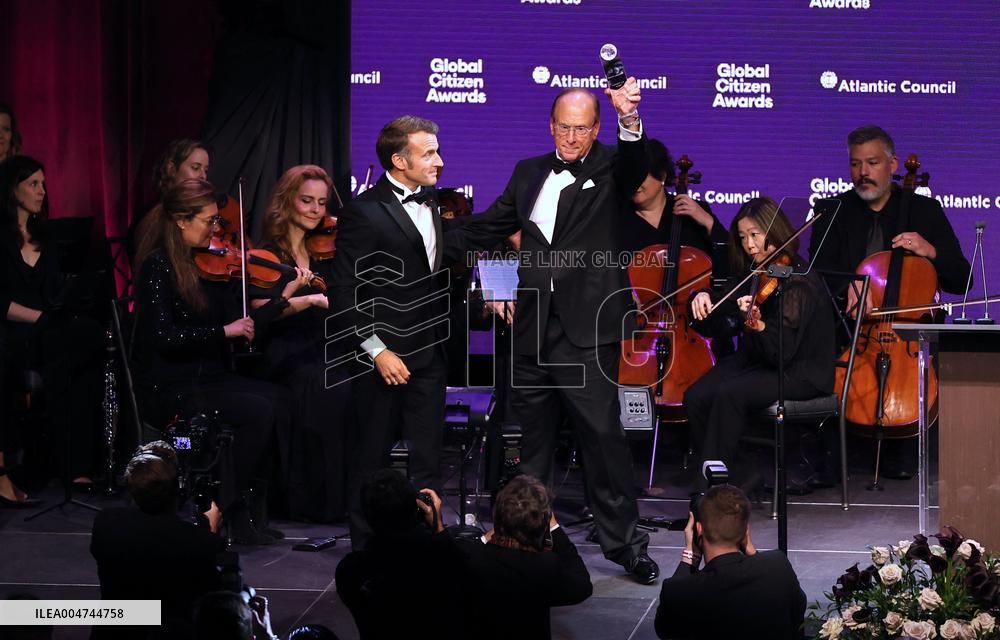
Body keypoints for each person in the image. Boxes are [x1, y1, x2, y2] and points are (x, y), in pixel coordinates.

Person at [449, 81, 660, 583]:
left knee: (603, 441)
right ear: (550, 126)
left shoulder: (613, 165)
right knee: (530, 445)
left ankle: (626, 546)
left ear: (596, 129)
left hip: (587, 333)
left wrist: (629, 120)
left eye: (581, 127)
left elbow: (636, 166)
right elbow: (490, 225)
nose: (570, 137)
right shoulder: (528, 172)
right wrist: (426, 237)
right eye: (563, 126)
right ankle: (524, 541)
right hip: (533, 332)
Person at [807, 125, 971, 480]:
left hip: (907, 333)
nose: (862, 173)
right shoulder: (834, 209)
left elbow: (962, 278)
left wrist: (930, 251)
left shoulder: (924, 210)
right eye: (855, 164)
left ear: (893, 164)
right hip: (851, 327)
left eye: (872, 163)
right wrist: (845, 290)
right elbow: (817, 273)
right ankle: (830, 449)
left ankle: (905, 444)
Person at [132, 178, 289, 544]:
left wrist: (279, 300)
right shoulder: (157, 267)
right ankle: (224, 507)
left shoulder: (200, 265)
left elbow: (236, 321)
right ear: (181, 221)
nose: (216, 229)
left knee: (278, 398)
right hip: (170, 386)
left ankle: (251, 508)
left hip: (205, 376)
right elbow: (163, 337)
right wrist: (223, 331)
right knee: (256, 411)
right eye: (209, 220)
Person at [330, 115, 456, 547]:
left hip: (429, 355)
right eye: (429, 153)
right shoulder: (363, 213)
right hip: (378, 361)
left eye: (437, 150)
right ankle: (366, 553)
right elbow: (345, 292)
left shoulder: (437, 201)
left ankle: (429, 547)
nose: (439, 160)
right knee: (371, 462)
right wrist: (377, 351)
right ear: (399, 159)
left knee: (427, 464)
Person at [686, 197, 834, 491]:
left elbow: (784, 352)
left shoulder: (799, 281)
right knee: (696, 394)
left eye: (755, 234)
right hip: (760, 361)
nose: (749, 244)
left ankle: (717, 489)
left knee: (729, 393)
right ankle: (739, 472)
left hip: (801, 371)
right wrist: (700, 298)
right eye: (742, 237)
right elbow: (721, 304)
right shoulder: (757, 271)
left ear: (774, 231)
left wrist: (758, 324)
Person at [1, 155, 103, 499]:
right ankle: (56, 463)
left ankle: (76, 465)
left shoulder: (48, 237)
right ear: (12, 189)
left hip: (47, 330)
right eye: (33, 184)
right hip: (12, 331)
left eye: (44, 184)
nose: (41, 191)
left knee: (87, 342)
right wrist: (43, 319)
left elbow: (55, 292)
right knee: (65, 350)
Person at [251, 164, 350, 522]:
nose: (315, 210)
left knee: (354, 378)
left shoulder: (328, 248)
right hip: (286, 351)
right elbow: (261, 312)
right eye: (307, 200)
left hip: (326, 346)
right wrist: (305, 298)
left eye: (322, 203)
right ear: (287, 201)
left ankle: (344, 497)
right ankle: (315, 502)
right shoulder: (269, 253)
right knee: (323, 385)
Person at [90, 447, 225, 639]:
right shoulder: (197, 540)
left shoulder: (106, 523)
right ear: (175, 494)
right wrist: (210, 530)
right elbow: (209, 592)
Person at [653, 484, 806, 639]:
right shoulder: (778, 566)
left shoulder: (678, 591)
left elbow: (665, 631)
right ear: (746, 530)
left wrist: (689, 557)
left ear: (698, 529)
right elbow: (798, 612)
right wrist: (752, 551)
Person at [335, 469, 468, 639]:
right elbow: (461, 576)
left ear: (366, 516)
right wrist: (438, 527)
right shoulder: (443, 562)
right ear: (414, 508)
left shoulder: (350, 571)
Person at [458, 475, 592, 639]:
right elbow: (582, 587)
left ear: (496, 515)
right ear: (543, 522)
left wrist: (487, 536)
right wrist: (555, 528)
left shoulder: (471, 558)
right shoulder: (544, 566)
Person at [619, 138, 726, 256]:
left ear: (662, 176)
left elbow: (730, 258)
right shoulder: (618, 218)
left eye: (641, 177)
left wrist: (708, 222)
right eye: (630, 176)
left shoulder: (695, 212)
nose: (634, 183)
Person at [128, 139, 211, 263]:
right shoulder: (152, 215)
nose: (203, 176)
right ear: (171, 169)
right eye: (195, 168)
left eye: (206, 170)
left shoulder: (197, 212)